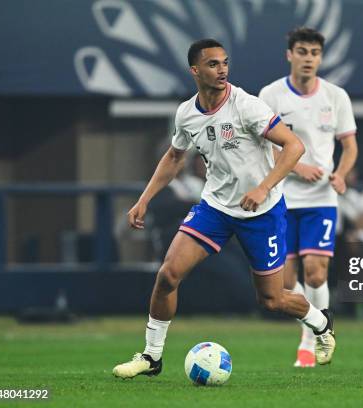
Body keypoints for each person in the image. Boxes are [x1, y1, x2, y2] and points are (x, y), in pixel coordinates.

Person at [112, 39, 336, 379]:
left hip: (262, 212)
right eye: (213, 64)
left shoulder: (247, 105)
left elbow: (294, 146)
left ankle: (321, 323)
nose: (222, 70)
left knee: (272, 300)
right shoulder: (187, 113)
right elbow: (174, 157)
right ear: (195, 71)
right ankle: (151, 356)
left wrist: (263, 188)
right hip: (215, 207)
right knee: (168, 275)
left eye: (225, 63)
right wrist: (144, 199)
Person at [259, 27, 358, 367]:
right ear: (290, 54)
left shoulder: (336, 96)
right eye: (302, 51)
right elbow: (264, 147)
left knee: (316, 273)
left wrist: (342, 174)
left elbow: (350, 146)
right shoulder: (270, 95)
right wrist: (296, 167)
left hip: (321, 200)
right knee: (285, 283)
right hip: (281, 197)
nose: (308, 58)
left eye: (314, 53)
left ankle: (313, 337)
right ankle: (314, 325)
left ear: (321, 57)